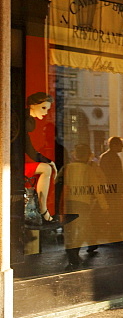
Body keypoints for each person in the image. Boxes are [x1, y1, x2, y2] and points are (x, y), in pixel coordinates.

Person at [22, 93, 59, 226]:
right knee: (46, 169)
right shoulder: (22, 121)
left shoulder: (25, 122)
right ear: (32, 106)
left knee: (46, 169)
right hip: (11, 166)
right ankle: (43, 211)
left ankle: (43, 210)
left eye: (47, 109)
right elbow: (30, 151)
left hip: (14, 164)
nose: (46, 112)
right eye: (43, 108)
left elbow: (30, 149)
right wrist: (49, 162)